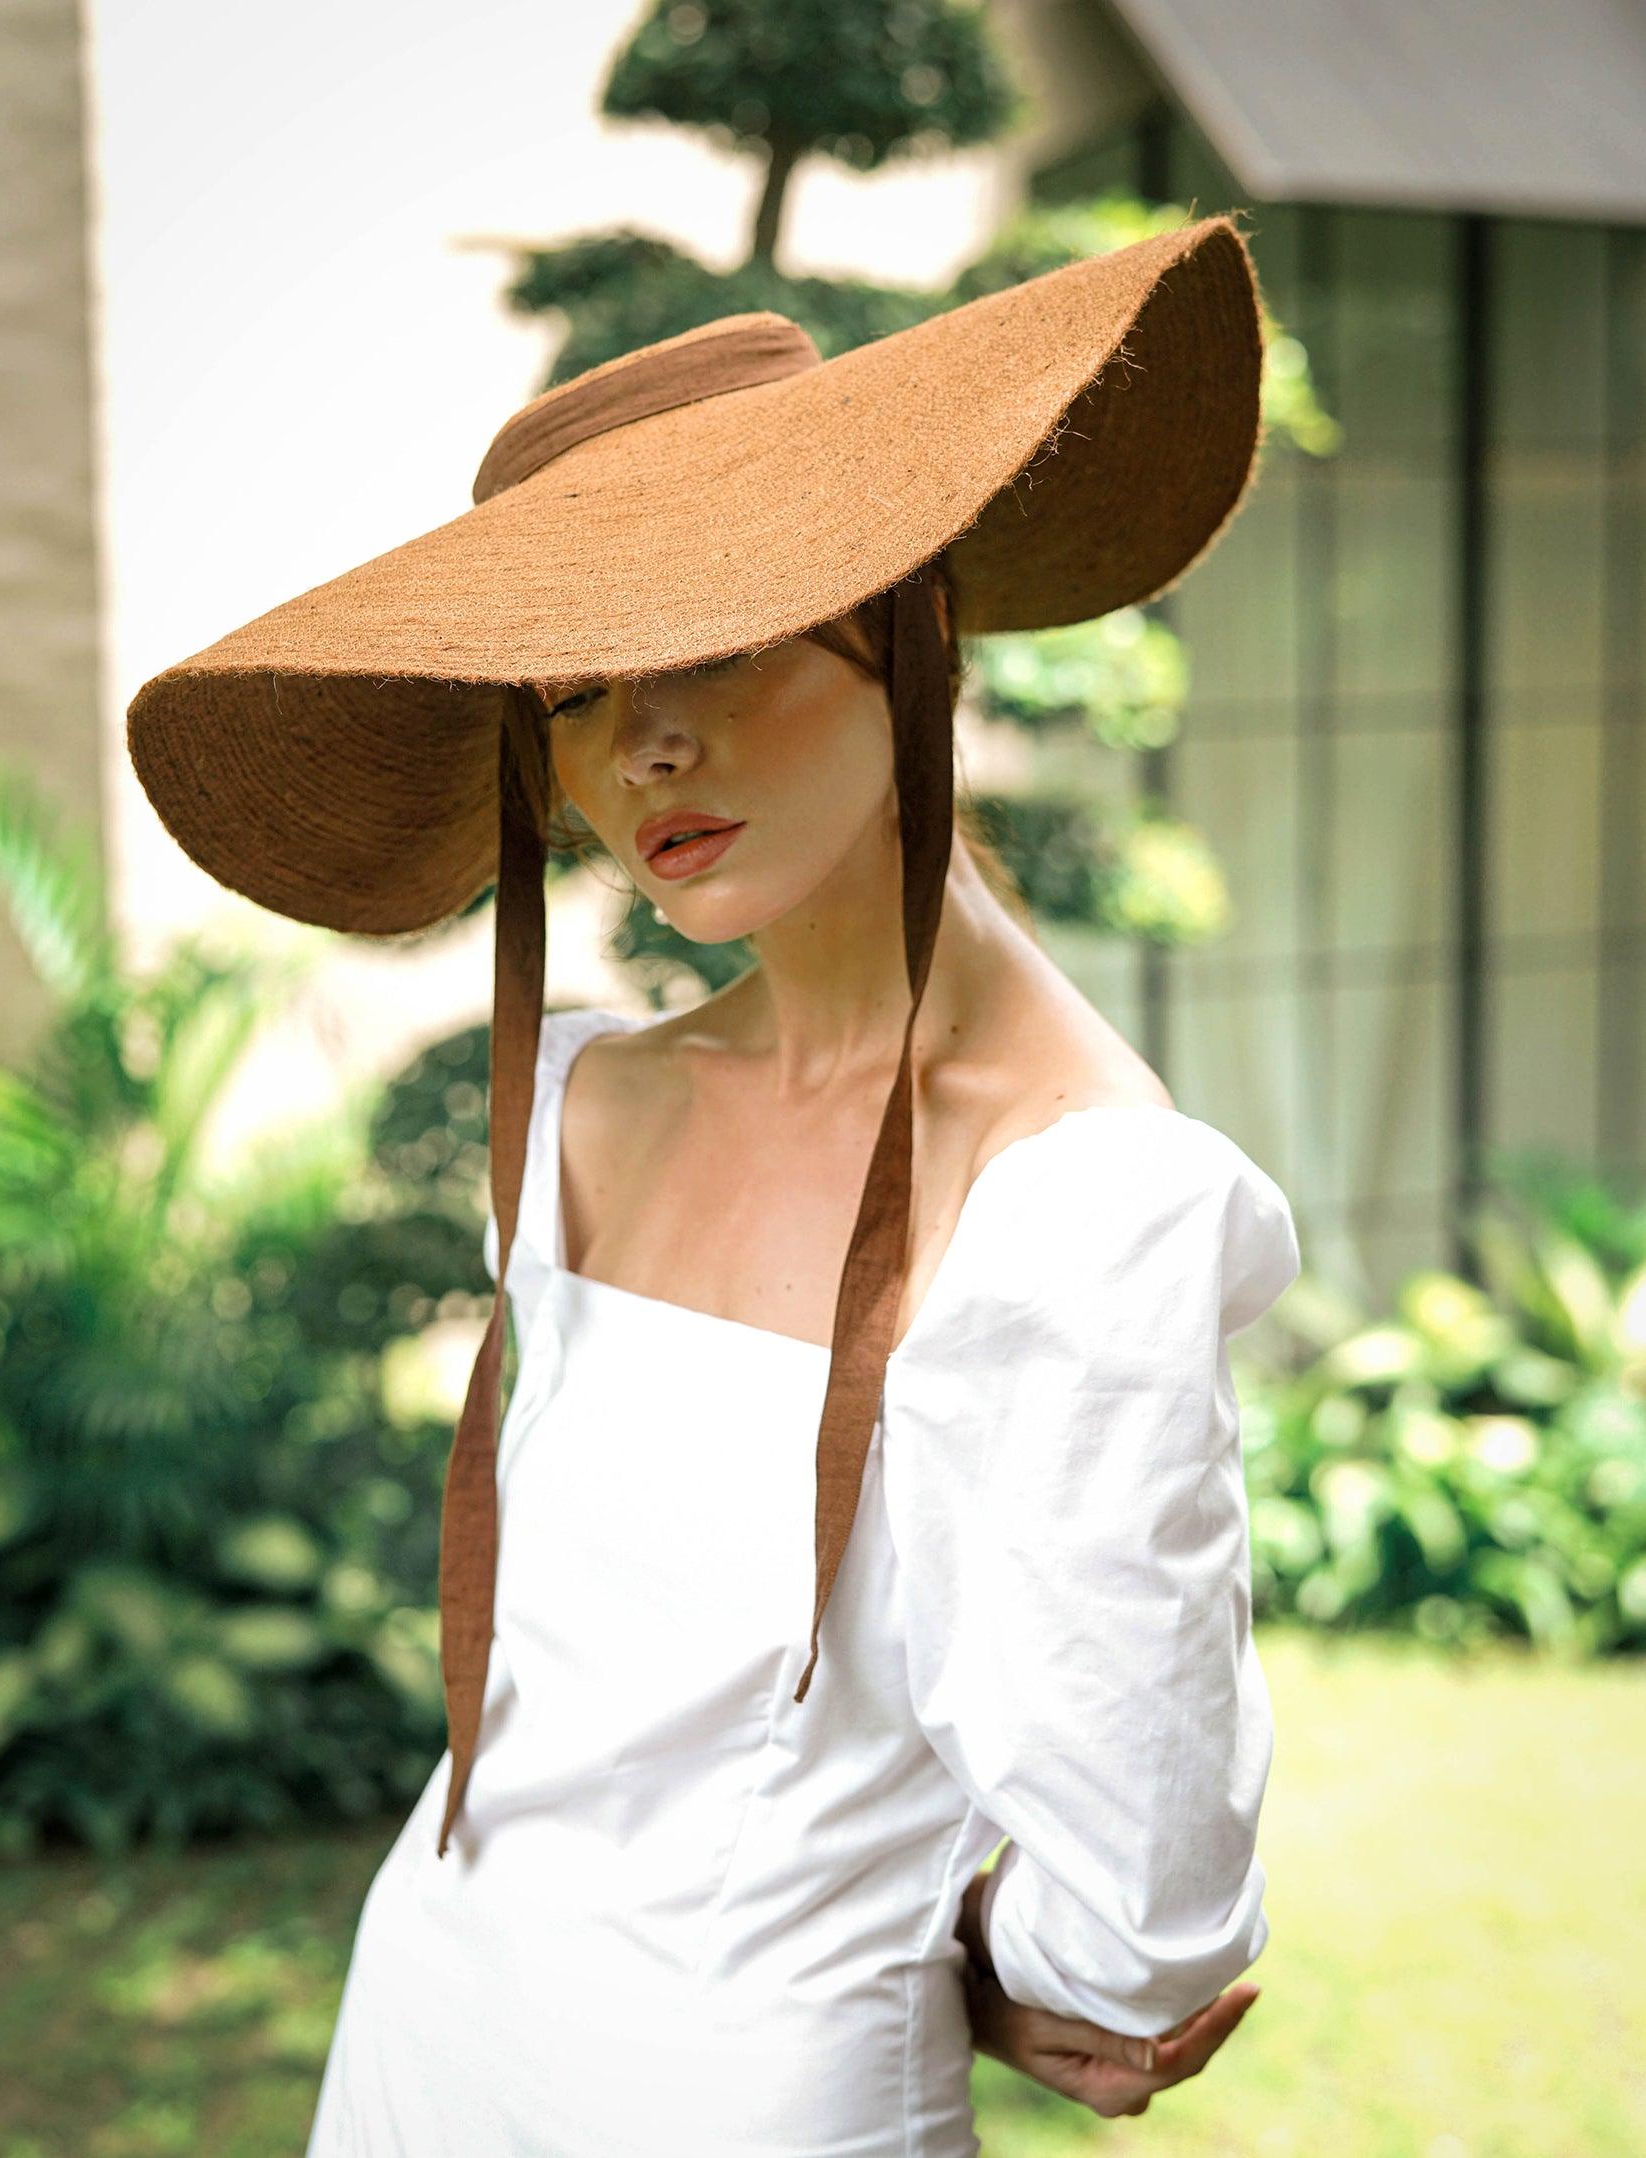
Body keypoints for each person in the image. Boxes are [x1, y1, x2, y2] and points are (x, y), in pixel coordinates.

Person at [126, 212, 1301, 2157]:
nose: (645, 736)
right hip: (422, 2021)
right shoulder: (582, 1113)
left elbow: (1148, 1917)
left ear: (907, 610)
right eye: (574, 692)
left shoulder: (1069, 1208)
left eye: (721, 636)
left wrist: (992, 1944)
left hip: (743, 2101)